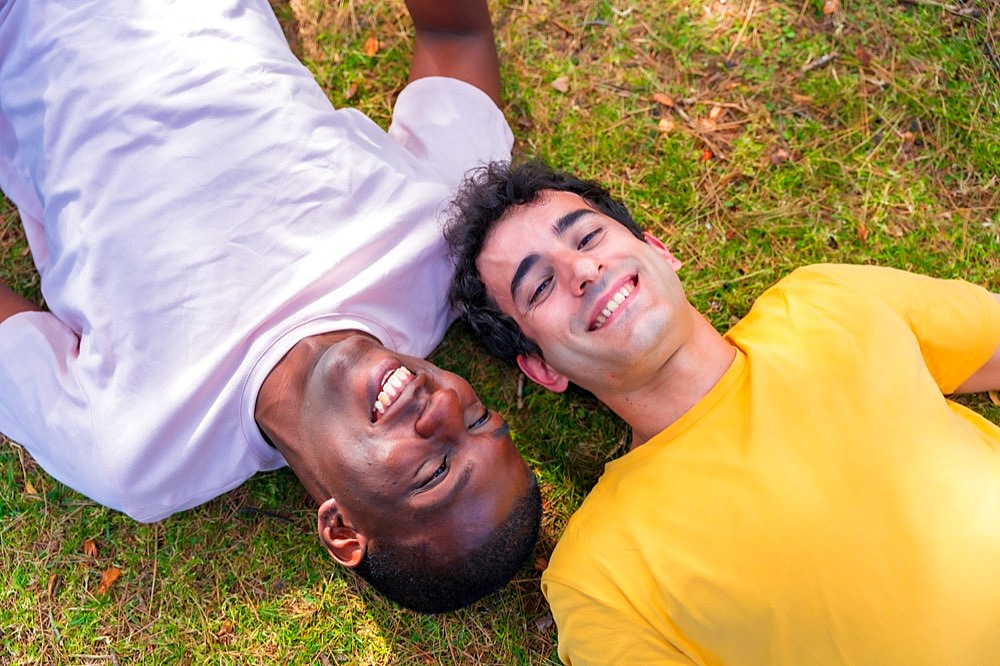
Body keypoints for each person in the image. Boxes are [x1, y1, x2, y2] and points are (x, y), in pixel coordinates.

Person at [0, 0, 541, 614]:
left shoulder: (140, 453)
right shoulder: (441, 243)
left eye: (435, 472)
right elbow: (455, 32)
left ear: (341, 530)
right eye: (478, 420)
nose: (445, 404)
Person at [445, 160, 1000, 663]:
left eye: (588, 236)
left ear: (658, 249)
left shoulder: (830, 302)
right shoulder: (602, 579)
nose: (582, 271)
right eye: (540, 286)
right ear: (543, 369)